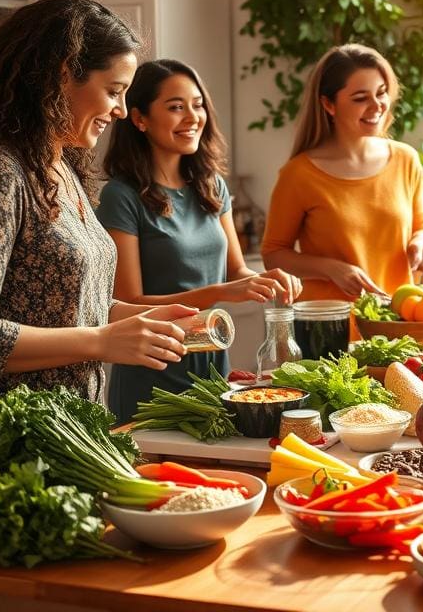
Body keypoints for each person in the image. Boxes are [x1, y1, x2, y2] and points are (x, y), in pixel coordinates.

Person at [0, 0, 197, 494]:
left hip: (70, 434)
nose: (119, 110)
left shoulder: (62, 169)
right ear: (61, 75)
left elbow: (62, 303)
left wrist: (132, 321)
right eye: (113, 90)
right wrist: (102, 341)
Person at [96, 59, 302, 422]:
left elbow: (235, 270)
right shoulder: (121, 196)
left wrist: (268, 279)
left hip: (213, 368)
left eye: (198, 104)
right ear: (139, 118)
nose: (193, 116)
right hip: (153, 375)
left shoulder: (211, 186)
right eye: (176, 107)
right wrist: (219, 293)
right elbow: (128, 302)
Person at [261, 43, 423, 301]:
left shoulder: (405, 160)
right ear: (329, 104)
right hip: (328, 326)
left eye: (381, 93)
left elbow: (422, 227)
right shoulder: (298, 174)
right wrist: (331, 270)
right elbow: (273, 254)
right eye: (360, 98)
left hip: (395, 322)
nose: (377, 105)